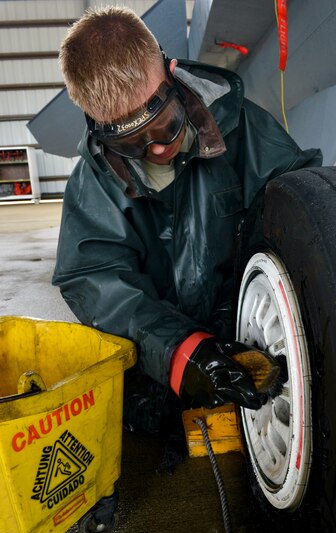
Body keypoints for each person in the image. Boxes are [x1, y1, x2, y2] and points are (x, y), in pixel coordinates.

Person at [53, 6, 322, 469]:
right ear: (101, 131)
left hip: (248, 334)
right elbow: (94, 278)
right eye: (133, 144)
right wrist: (179, 353)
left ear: (171, 72)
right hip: (163, 369)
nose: (157, 150)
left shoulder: (245, 131)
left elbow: (303, 217)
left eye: (164, 127)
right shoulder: (92, 184)